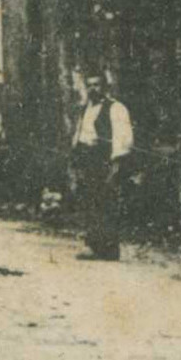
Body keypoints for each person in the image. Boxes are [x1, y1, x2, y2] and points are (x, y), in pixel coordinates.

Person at [72, 69, 135, 260]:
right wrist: (75, 157)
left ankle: (108, 248)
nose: (93, 89)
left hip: (103, 159)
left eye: (96, 85)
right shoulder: (85, 109)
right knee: (90, 201)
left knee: (105, 202)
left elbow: (122, 136)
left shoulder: (115, 108)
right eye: (89, 85)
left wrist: (116, 162)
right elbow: (79, 133)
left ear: (104, 87)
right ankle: (93, 244)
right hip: (87, 159)